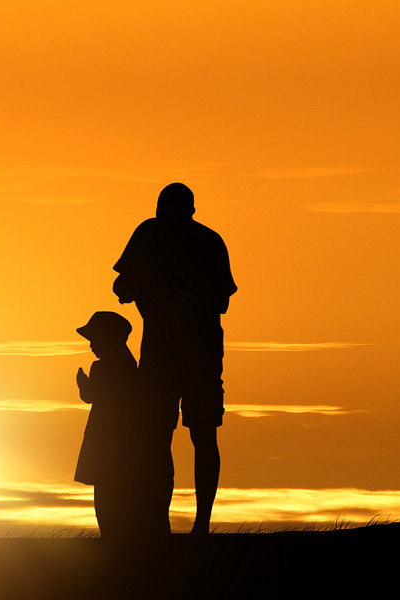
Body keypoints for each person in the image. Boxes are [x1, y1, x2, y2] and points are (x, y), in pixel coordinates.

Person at [112, 182, 237, 534]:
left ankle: (189, 524)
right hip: (182, 355)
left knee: (180, 436)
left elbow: (122, 288)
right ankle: (173, 523)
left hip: (183, 355)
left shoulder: (159, 236)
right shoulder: (176, 238)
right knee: (170, 437)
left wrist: (157, 294)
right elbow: (122, 287)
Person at [74, 311, 171, 539]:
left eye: (94, 339)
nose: (91, 345)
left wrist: (82, 384)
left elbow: (91, 395)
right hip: (124, 448)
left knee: (107, 504)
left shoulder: (102, 367)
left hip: (106, 444)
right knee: (117, 502)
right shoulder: (130, 367)